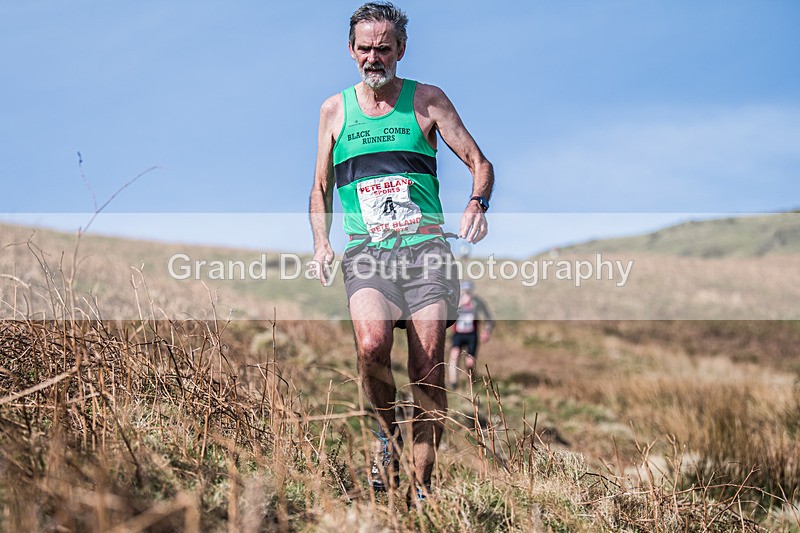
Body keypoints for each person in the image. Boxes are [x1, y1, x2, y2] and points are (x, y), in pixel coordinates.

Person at [308, 1, 494, 501]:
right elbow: (320, 187)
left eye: (384, 48)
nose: (374, 57)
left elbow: (480, 162)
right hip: (367, 253)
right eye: (365, 48)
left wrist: (478, 202)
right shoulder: (334, 111)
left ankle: (422, 486)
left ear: (401, 50)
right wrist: (322, 241)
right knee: (371, 348)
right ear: (351, 51)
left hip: (426, 252)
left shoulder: (428, 100)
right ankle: (384, 440)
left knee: (427, 365)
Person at [448, 280, 494, 390]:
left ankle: (471, 384)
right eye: (465, 291)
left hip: (471, 335)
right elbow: (448, 313)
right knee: (454, 355)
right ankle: (453, 383)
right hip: (458, 334)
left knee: (470, 363)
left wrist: (487, 331)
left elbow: (489, 318)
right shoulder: (457, 301)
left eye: (469, 291)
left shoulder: (478, 302)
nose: (467, 293)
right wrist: (461, 304)